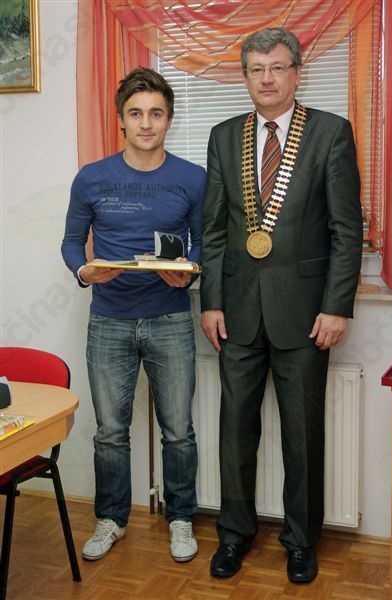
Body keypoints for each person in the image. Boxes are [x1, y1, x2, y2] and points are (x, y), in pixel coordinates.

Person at [200, 28, 363, 583]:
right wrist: (211, 302)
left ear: (297, 73)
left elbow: (346, 231)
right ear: (245, 76)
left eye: (276, 67)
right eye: (256, 69)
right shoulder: (224, 136)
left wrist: (337, 306)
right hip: (237, 313)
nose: (266, 78)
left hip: (307, 314)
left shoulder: (330, 133)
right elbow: (214, 230)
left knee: (303, 435)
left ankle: (300, 540)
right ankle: (234, 534)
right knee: (235, 432)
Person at [62, 67, 205, 563]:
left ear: (169, 119)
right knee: (109, 432)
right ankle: (111, 520)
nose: (146, 123)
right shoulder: (91, 177)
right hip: (109, 320)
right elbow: (71, 242)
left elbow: (204, 243)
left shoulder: (193, 178)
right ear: (121, 119)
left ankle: (181, 519)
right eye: (136, 113)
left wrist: (190, 274)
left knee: (178, 430)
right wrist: (84, 271)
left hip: (171, 319)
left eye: (156, 114)